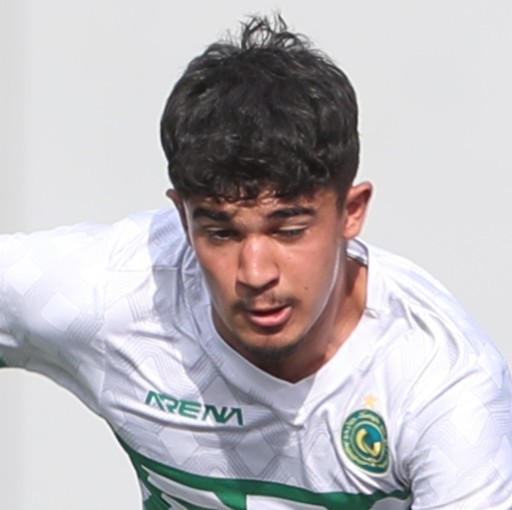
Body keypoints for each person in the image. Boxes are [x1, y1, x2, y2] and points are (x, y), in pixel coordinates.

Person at [1, 14, 511, 510]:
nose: (255, 273)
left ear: (351, 212)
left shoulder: (442, 384)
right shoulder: (112, 292)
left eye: (289, 231)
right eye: (221, 232)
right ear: (182, 218)